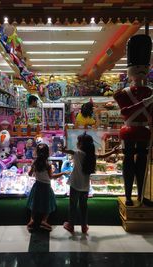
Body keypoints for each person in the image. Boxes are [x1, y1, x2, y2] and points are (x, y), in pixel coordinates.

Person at [113, 34, 153, 206]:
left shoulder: (150, 92)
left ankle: (141, 194)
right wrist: (145, 103)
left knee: (142, 162)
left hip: (144, 130)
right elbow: (125, 112)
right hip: (129, 130)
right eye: (138, 66)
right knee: (128, 161)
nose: (141, 70)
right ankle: (128, 195)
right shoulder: (122, 94)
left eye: (144, 66)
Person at [62, 132, 119, 234]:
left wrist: (63, 150)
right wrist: (112, 151)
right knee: (84, 207)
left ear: (81, 144)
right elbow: (102, 156)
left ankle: (71, 225)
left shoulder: (78, 153)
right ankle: (84, 226)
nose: (77, 143)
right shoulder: (91, 156)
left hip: (75, 185)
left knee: (73, 206)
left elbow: (70, 151)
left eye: (78, 141)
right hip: (85, 186)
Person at [27, 143, 68, 232]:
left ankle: (32, 219)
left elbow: (29, 174)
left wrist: (33, 172)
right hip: (46, 187)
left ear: (37, 152)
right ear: (47, 153)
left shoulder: (35, 163)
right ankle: (44, 220)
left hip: (37, 185)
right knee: (48, 203)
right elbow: (51, 177)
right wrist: (63, 173)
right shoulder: (48, 165)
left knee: (35, 203)